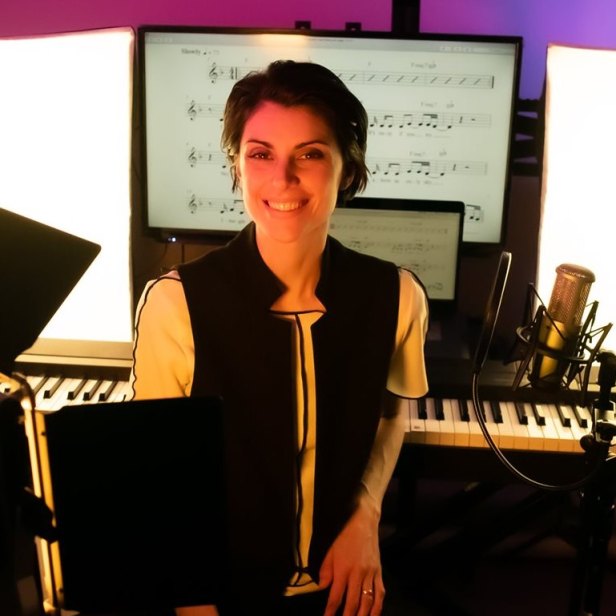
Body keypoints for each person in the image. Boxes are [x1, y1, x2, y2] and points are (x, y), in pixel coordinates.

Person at [130, 60, 428, 615]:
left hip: (340, 590)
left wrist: (366, 514)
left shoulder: (399, 295)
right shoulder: (175, 304)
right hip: (218, 595)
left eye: (310, 154)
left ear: (347, 169)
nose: (283, 178)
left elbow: (392, 415)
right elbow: (161, 478)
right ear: (237, 167)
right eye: (261, 154)